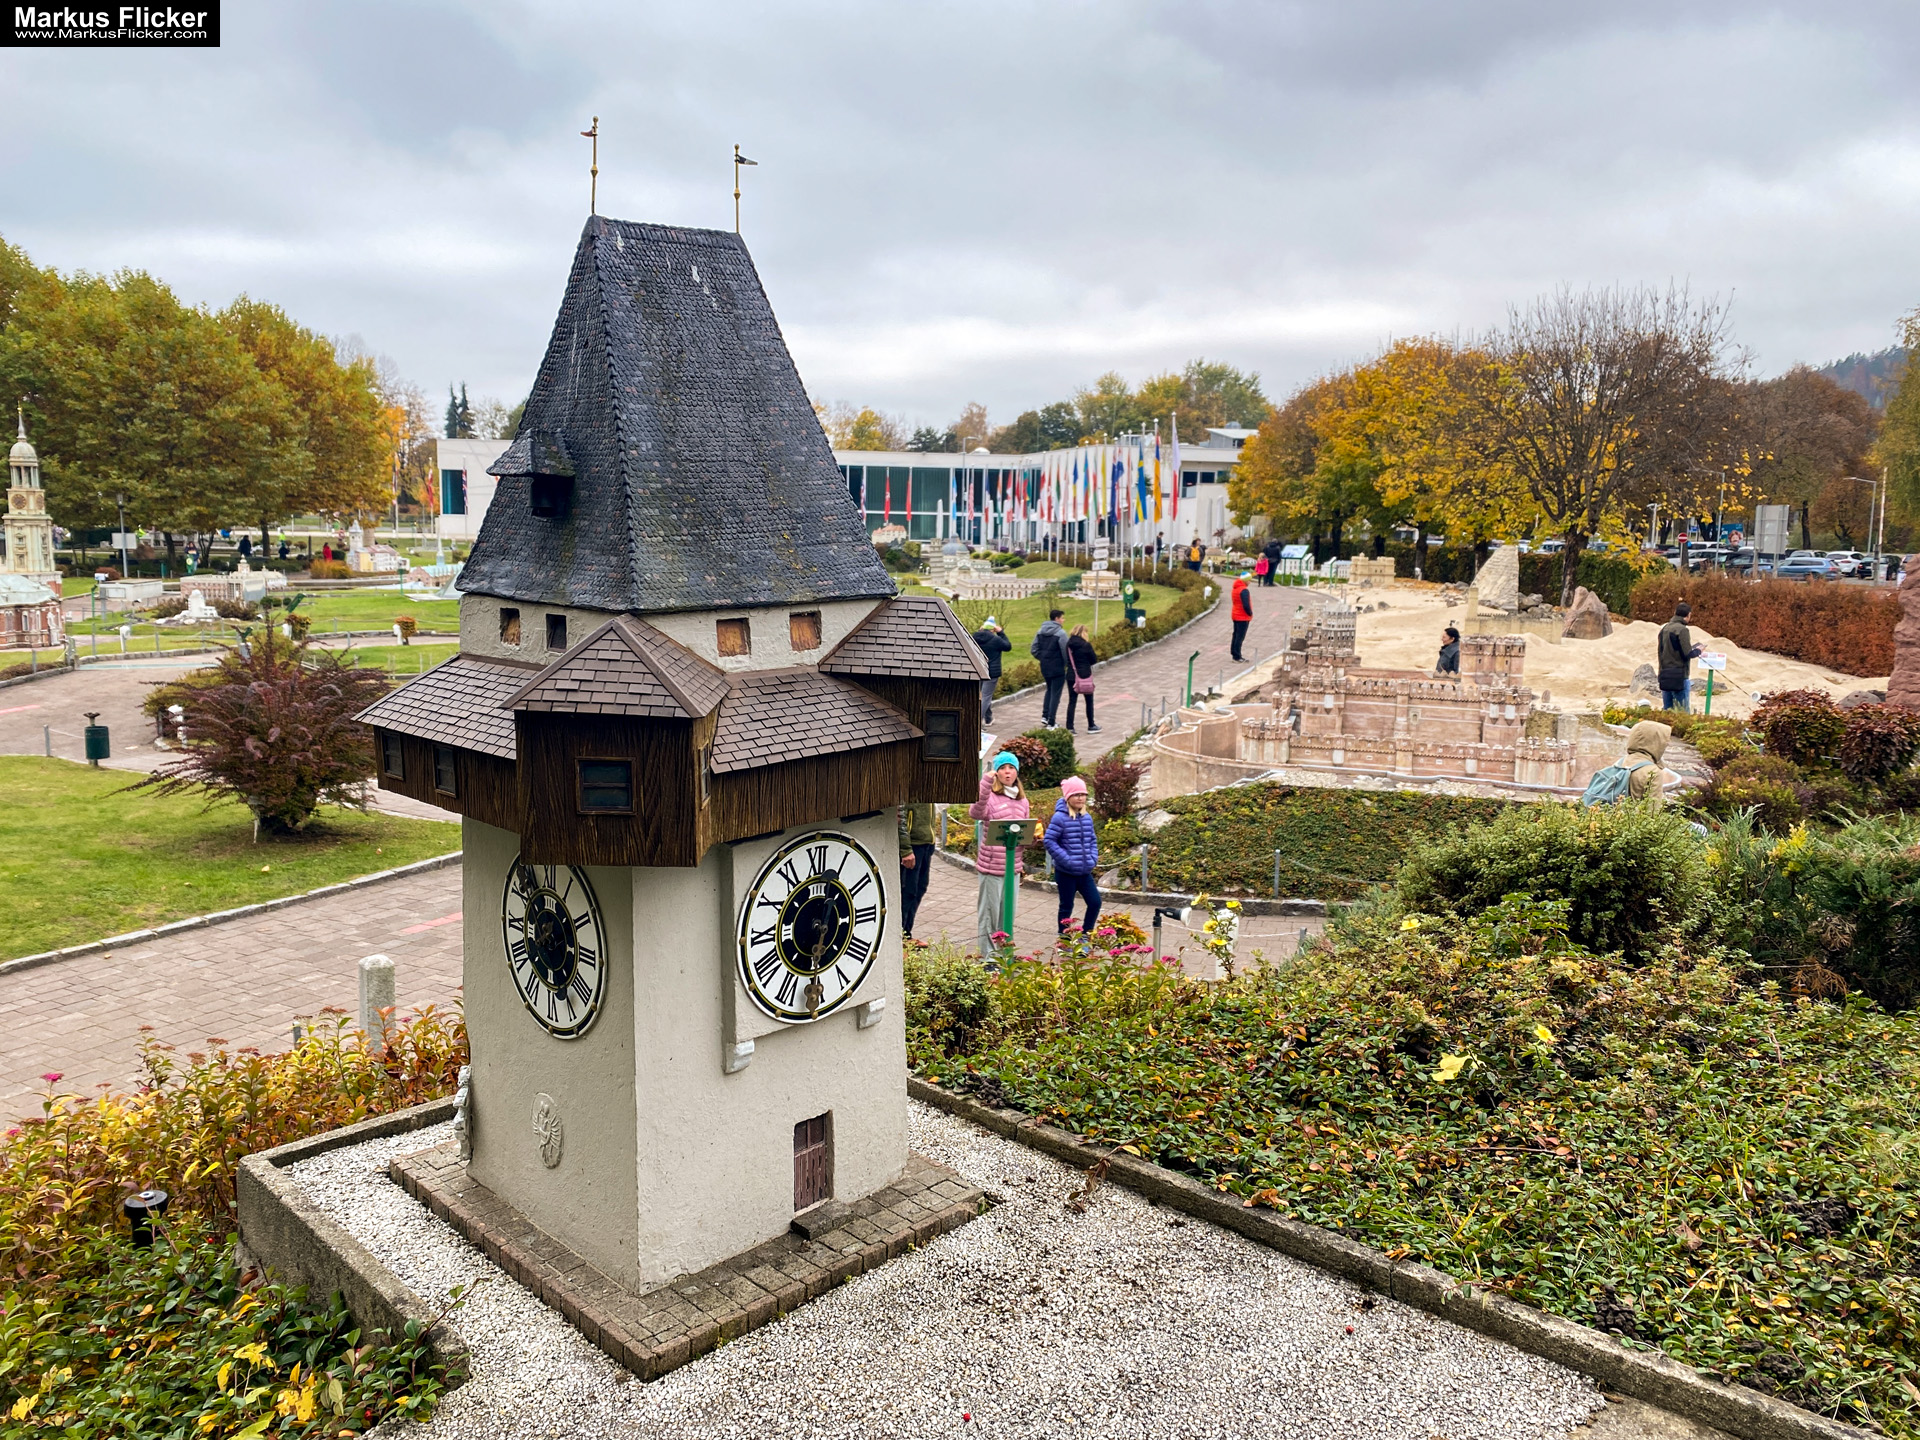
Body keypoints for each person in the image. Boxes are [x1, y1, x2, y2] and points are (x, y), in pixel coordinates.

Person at [969, 751, 1030, 955]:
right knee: (989, 914)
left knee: (1007, 915)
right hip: (991, 868)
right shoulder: (991, 798)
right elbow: (975, 812)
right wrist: (985, 782)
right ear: (997, 772)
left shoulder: (1022, 801)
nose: (1007, 772)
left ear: (1016, 772)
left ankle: (1005, 954)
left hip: (1012, 868)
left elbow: (1023, 833)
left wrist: (1031, 838)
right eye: (1003, 768)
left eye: (1011, 768)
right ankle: (988, 957)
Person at [1045, 776, 1102, 935]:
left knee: (1095, 902)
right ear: (1068, 797)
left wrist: (1092, 858)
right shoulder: (1060, 817)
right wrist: (1066, 860)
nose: (1080, 798)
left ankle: (1086, 936)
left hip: (1084, 872)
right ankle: (1064, 940)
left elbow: (1092, 839)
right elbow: (1049, 840)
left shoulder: (1087, 817)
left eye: (1083, 794)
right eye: (1076, 795)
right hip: (1066, 873)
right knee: (1066, 907)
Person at [898, 800, 936, 939]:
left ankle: (907, 935)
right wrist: (905, 849)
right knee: (907, 892)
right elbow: (900, 816)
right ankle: (899, 939)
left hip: (926, 844)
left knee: (920, 888)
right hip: (913, 847)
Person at [1657, 602, 1703, 711]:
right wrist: (1698, 650)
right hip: (1679, 675)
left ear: (1675, 613)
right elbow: (1687, 654)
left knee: (1668, 711)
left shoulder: (1664, 628)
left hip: (1664, 674)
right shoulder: (1682, 630)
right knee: (1682, 712)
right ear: (1688, 615)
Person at [1031, 608, 1071, 728]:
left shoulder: (1040, 631)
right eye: (1062, 618)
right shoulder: (1061, 633)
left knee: (1049, 690)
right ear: (1057, 619)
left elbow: (1033, 649)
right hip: (1058, 667)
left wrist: (1043, 658)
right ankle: (1051, 721)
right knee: (1056, 694)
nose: (1063, 620)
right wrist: (1066, 664)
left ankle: (1045, 715)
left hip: (1045, 666)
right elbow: (1066, 651)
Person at [972, 616, 1011, 723]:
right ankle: (977, 722)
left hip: (978, 670)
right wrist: (1001, 633)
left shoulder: (974, 637)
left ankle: (988, 719)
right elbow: (1008, 646)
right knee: (986, 697)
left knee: (983, 695)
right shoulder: (996, 639)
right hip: (992, 673)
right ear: (993, 629)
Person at [1065, 623, 1100, 732]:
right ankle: (1091, 725)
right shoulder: (1086, 645)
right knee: (1089, 701)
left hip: (1072, 675)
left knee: (1072, 701)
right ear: (1083, 633)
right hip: (1085, 675)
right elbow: (1093, 659)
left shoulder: (1069, 644)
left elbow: (1067, 659)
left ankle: (1070, 727)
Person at [1230, 571, 1253, 661]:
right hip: (1242, 616)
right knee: (1240, 636)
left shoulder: (1235, 588)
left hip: (1235, 614)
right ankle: (1237, 655)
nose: (1250, 582)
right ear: (1245, 581)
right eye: (1249, 580)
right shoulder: (1244, 590)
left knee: (1235, 635)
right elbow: (1246, 605)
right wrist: (1250, 613)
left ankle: (1234, 652)